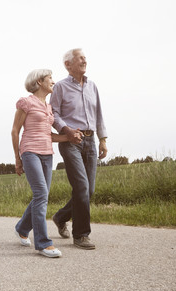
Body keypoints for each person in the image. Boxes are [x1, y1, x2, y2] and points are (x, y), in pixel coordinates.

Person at [11, 69, 82, 258]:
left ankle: (22, 227)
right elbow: (15, 131)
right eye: (50, 78)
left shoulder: (48, 107)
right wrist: (17, 158)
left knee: (41, 195)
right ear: (39, 82)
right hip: (30, 152)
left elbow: (48, 135)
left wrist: (69, 137)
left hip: (47, 153)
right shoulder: (26, 102)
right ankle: (43, 243)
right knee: (41, 193)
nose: (53, 81)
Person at [50, 48, 108, 250]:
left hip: (91, 142)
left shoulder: (92, 86)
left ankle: (61, 216)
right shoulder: (60, 87)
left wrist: (103, 139)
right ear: (68, 64)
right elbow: (54, 115)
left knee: (88, 190)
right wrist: (66, 130)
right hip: (70, 141)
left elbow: (98, 113)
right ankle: (81, 234)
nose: (85, 60)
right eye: (80, 58)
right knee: (81, 187)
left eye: (85, 58)